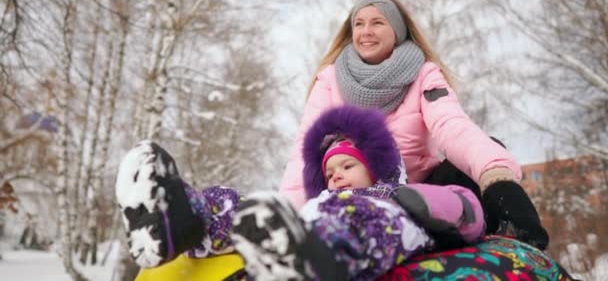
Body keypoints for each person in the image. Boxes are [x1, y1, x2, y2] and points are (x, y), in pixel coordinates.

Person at [279, 0, 549, 250]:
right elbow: (304, 154)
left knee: (475, 160)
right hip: (356, 196)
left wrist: (497, 177)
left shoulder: (423, 73)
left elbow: (451, 126)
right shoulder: (330, 79)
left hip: (420, 193)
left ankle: (497, 234)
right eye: (359, 24)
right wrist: (286, 223)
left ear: (397, 30)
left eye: (377, 22)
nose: (366, 31)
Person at [115, 105, 485, 280]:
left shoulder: (390, 199)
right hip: (306, 227)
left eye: (347, 166)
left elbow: (464, 210)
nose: (336, 176)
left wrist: (427, 203)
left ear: (373, 166)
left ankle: (310, 262)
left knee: (358, 219)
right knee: (243, 208)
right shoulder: (322, 200)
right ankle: (182, 219)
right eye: (329, 172)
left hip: (356, 230)